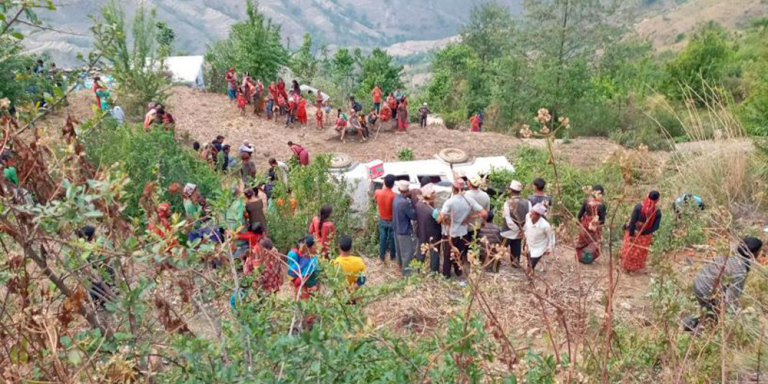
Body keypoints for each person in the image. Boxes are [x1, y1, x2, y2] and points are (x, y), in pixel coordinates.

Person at [688, 237, 763, 329]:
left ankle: (692, 323)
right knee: (713, 318)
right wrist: (735, 315)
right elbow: (732, 298)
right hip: (706, 291)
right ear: (754, 254)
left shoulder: (729, 249)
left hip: (699, 281)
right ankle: (690, 327)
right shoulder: (740, 271)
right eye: (760, 251)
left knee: (707, 310)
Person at [438, 179, 487, 278]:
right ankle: (458, 271)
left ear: (453, 188)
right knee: (460, 254)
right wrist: (469, 217)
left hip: (450, 233)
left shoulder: (449, 202)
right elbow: (484, 213)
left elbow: (440, 218)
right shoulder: (469, 200)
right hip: (462, 232)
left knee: (448, 255)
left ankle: (446, 275)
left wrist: (445, 221)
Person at [620, 191, 662, 273]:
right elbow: (656, 227)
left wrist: (631, 234)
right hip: (645, 237)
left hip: (634, 232)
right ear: (657, 200)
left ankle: (625, 266)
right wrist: (644, 233)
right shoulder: (657, 212)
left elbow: (633, 221)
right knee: (640, 252)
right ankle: (636, 269)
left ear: (647, 196)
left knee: (629, 249)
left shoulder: (639, 207)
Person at [501, 180, 530, 268]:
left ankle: (495, 262)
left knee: (501, 248)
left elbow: (509, 221)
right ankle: (515, 262)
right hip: (521, 232)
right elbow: (529, 218)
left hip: (508, 231)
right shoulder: (528, 203)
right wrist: (522, 230)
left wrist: (516, 230)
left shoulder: (507, 203)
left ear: (510, 190)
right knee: (516, 246)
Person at [414, 183, 442, 273]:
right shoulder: (433, 211)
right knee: (434, 254)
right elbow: (440, 220)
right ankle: (434, 272)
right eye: (433, 193)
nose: (435, 194)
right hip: (433, 235)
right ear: (429, 196)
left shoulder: (418, 204)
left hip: (422, 232)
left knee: (421, 252)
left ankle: (418, 270)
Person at [576, 185, 606, 264]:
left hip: (585, 224)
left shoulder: (587, 201)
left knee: (582, 241)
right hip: (595, 227)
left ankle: (580, 257)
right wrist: (595, 223)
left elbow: (580, 214)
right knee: (594, 242)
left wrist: (579, 221)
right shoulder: (601, 206)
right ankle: (587, 259)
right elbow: (602, 220)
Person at [393, 180, 418, 275]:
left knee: (399, 250)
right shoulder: (404, 203)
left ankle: (399, 265)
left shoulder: (396, 198)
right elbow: (413, 216)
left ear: (399, 189)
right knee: (407, 253)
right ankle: (406, 274)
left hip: (396, 228)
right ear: (407, 191)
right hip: (404, 231)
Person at [524, 203, 555, 274]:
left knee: (531, 264)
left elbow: (551, 236)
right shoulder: (528, 216)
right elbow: (526, 228)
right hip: (529, 244)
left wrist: (549, 247)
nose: (530, 214)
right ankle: (530, 271)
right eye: (531, 212)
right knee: (528, 259)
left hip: (539, 247)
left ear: (538, 215)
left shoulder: (545, 225)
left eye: (533, 213)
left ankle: (529, 273)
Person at [287, 235, 320, 299]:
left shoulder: (305, 258)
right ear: (312, 247)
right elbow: (300, 280)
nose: (317, 247)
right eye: (316, 244)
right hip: (307, 291)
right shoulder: (311, 262)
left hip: (307, 289)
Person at [375, 174, 397, 263]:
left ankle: (381, 257)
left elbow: (376, 200)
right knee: (392, 239)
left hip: (382, 219)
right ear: (393, 184)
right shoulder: (394, 195)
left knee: (382, 239)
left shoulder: (377, 192)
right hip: (391, 220)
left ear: (384, 182)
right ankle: (392, 256)